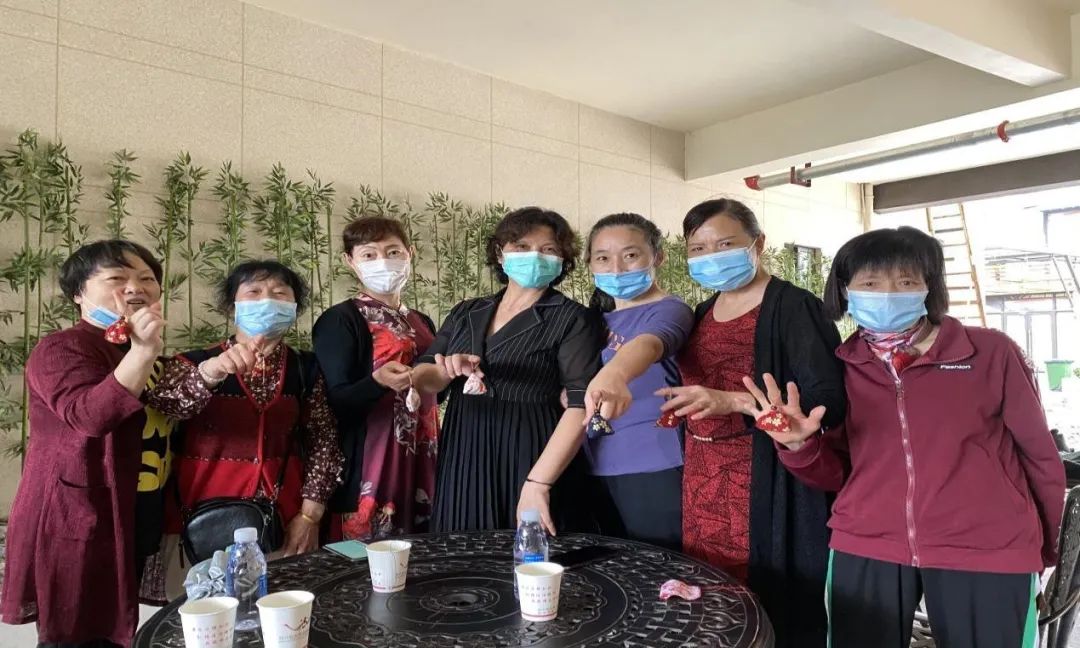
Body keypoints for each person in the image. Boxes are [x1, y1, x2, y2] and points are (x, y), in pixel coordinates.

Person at [762, 226, 1066, 648]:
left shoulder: (991, 353)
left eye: (906, 282)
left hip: (987, 546)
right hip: (865, 542)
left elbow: (1039, 458)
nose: (887, 294)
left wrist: (1043, 550)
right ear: (844, 290)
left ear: (929, 287)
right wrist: (798, 446)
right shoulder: (841, 366)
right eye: (870, 283)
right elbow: (837, 473)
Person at [658, 198, 846, 648]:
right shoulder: (701, 312)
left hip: (766, 481)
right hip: (704, 478)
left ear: (758, 244)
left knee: (768, 605)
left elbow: (827, 402)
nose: (710, 257)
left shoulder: (794, 307)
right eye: (698, 248)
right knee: (710, 599)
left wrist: (735, 402)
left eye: (725, 244)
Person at [1, 240, 167, 647]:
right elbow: (90, 417)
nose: (135, 288)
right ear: (78, 293)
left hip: (134, 508)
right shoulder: (61, 348)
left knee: (117, 628)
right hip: (76, 514)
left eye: (147, 279)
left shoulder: (141, 351)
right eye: (117, 278)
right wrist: (144, 351)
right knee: (74, 632)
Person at [410, 206, 604, 534]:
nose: (535, 256)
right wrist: (446, 371)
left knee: (529, 549)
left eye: (548, 249)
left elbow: (580, 404)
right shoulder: (468, 311)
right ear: (500, 254)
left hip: (532, 448)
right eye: (522, 246)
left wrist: (539, 482)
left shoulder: (572, 318)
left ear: (562, 260)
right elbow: (424, 373)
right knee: (462, 545)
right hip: (464, 447)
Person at [147, 261, 344, 576]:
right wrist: (210, 373)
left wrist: (310, 514)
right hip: (201, 517)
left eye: (279, 293)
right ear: (232, 305)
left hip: (283, 519)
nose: (267, 300)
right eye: (254, 292)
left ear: (294, 307)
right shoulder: (194, 362)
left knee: (282, 600)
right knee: (205, 603)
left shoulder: (306, 368)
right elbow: (168, 406)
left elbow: (324, 440)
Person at [313, 216, 439, 541]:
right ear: (350, 261)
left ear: (410, 253)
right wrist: (377, 382)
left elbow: (435, 393)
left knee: (422, 550)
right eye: (369, 254)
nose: (383, 261)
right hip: (372, 459)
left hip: (423, 453)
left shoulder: (421, 320)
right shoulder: (340, 320)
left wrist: (451, 371)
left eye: (393, 252)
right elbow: (334, 402)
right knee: (368, 554)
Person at [572, 213, 693, 550]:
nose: (616, 268)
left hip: (652, 465)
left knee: (657, 564)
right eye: (602, 258)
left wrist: (615, 373)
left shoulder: (670, 310)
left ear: (658, 257)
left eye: (630, 255)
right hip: (593, 462)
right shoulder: (592, 320)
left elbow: (649, 344)